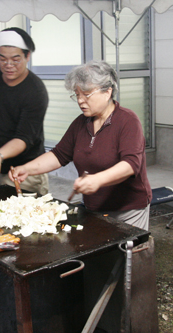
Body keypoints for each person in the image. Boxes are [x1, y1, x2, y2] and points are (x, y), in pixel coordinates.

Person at [11, 60, 151, 230]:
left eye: (86, 94)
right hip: (93, 208)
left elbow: (131, 165)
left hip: (128, 210)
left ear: (108, 92)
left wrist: (98, 179)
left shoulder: (127, 121)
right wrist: (28, 168)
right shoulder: (81, 123)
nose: (80, 101)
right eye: (77, 95)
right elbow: (59, 154)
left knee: (126, 254)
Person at [0, 27, 49, 195]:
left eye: (16, 60)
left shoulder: (35, 91)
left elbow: (24, 138)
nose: (8, 66)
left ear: (27, 56)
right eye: (2, 59)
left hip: (24, 170)